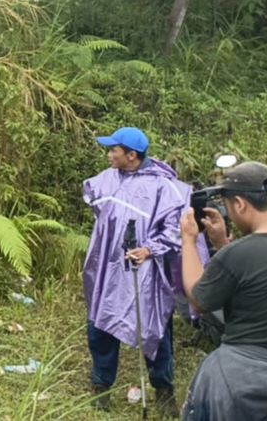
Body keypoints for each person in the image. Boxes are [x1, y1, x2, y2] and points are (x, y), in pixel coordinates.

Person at [82, 127, 189, 413]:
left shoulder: (163, 187)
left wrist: (149, 249)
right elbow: (100, 211)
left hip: (145, 270)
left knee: (155, 326)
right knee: (100, 324)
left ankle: (163, 390)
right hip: (107, 267)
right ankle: (101, 386)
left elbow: (175, 229)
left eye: (113, 150)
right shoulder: (106, 180)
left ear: (131, 155)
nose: (108, 154)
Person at [180, 161, 267, 419]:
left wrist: (188, 241)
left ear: (240, 204)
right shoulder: (236, 253)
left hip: (243, 373)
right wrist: (222, 243)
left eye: (228, 207)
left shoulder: (238, 255)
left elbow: (199, 299)